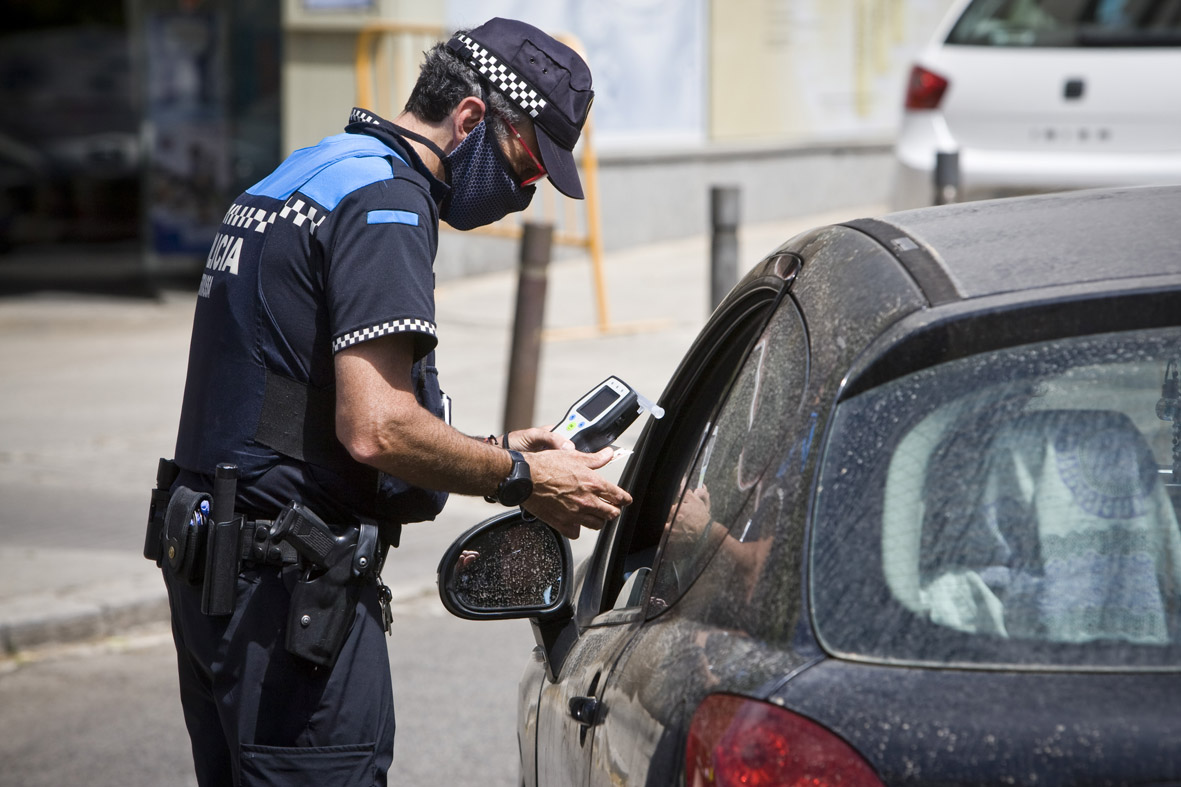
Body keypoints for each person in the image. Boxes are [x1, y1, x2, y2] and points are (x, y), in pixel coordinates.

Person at [148, 18, 631, 787]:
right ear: (470, 119)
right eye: (527, 162)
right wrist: (520, 477)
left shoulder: (300, 173)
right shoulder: (389, 205)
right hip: (289, 598)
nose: (526, 192)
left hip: (216, 583)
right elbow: (375, 428)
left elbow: (287, 407)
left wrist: (497, 445)